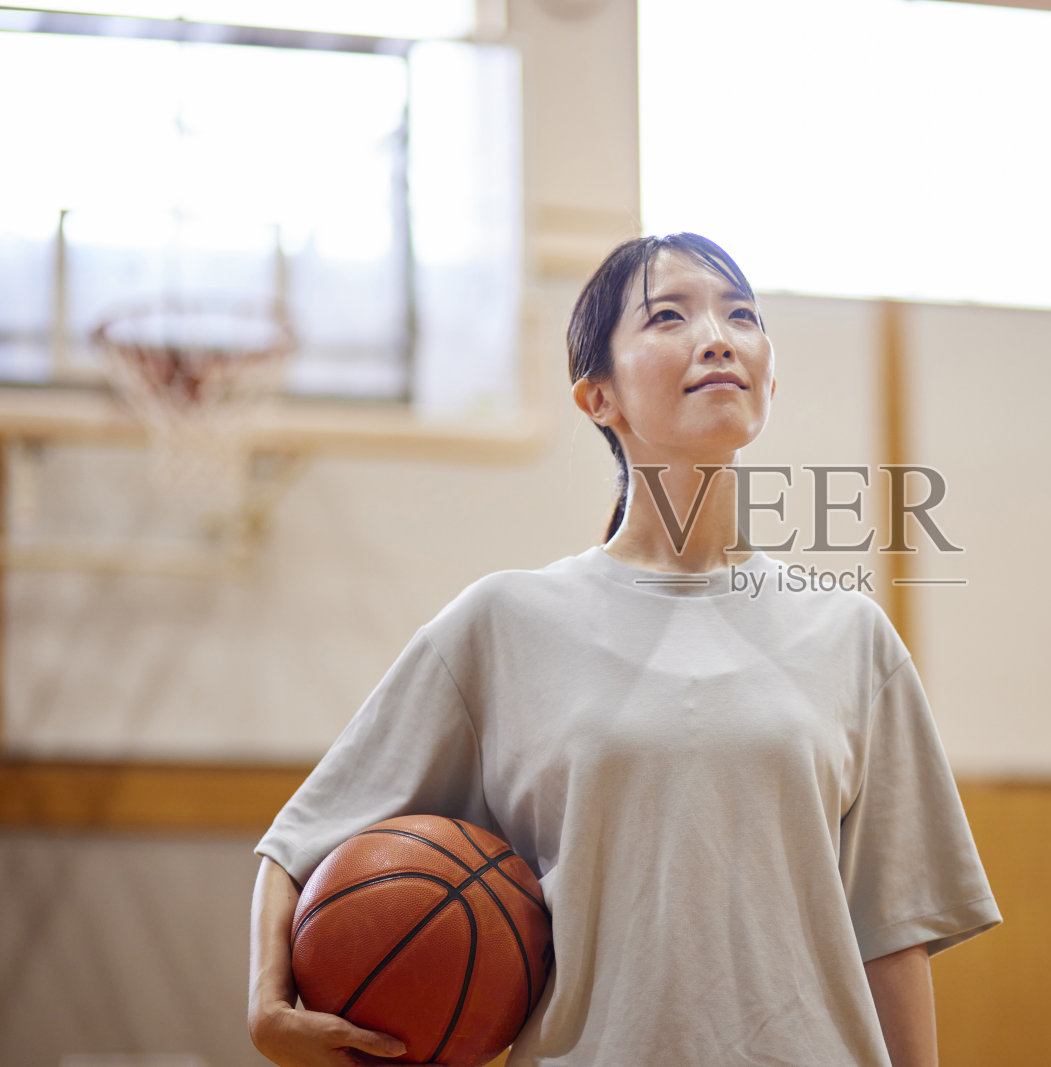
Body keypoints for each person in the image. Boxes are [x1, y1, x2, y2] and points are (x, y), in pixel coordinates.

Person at [247, 233, 1001, 1067]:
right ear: (597, 396)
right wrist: (266, 1003)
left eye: (740, 314)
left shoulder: (851, 635)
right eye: (668, 316)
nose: (716, 334)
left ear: (769, 375)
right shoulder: (505, 623)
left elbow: (890, 936)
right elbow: (301, 838)